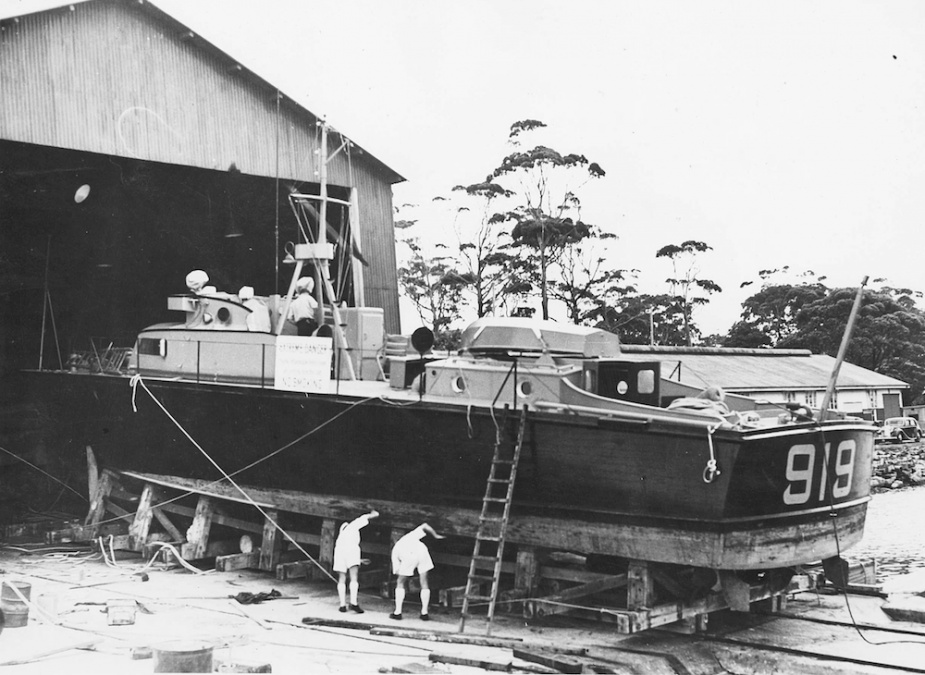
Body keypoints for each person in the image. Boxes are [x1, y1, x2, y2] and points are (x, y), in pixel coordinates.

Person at [390, 523, 444, 621]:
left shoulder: (396, 549)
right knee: (424, 582)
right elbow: (425, 525)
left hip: (408, 556)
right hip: (422, 551)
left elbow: (398, 572)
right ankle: (424, 613)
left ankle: (398, 612)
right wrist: (435, 535)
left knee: (400, 583)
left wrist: (404, 573)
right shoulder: (409, 536)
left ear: (393, 539)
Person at [333, 510, 379, 613]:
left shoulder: (342, 533)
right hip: (352, 550)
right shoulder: (353, 525)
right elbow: (364, 518)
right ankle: (354, 603)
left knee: (342, 577)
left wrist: (359, 560)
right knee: (354, 577)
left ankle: (342, 605)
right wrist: (374, 513)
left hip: (339, 551)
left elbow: (345, 549)